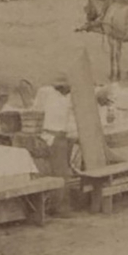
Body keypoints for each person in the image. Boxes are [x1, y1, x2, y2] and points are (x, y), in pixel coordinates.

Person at [32, 71, 76, 212]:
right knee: (60, 173)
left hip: (67, 136)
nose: (63, 89)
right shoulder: (45, 93)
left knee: (65, 170)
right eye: (60, 87)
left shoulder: (72, 96)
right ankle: (59, 207)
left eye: (66, 87)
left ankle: (59, 204)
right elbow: (36, 112)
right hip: (51, 136)